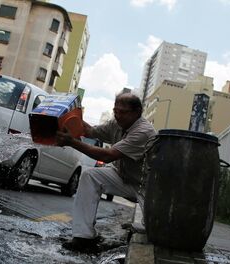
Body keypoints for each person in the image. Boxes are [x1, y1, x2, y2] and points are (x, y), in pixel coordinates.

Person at [55, 93, 156, 252]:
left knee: (153, 234)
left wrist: (71, 142)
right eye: (115, 111)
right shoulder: (116, 124)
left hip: (147, 189)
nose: (117, 116)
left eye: (123, 112)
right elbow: (88, 130)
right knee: (90, 176)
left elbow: (106, 156)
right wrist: (64, 117)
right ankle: (83, 237)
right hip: (124, 177)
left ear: (137, 112)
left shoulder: (143, 132)